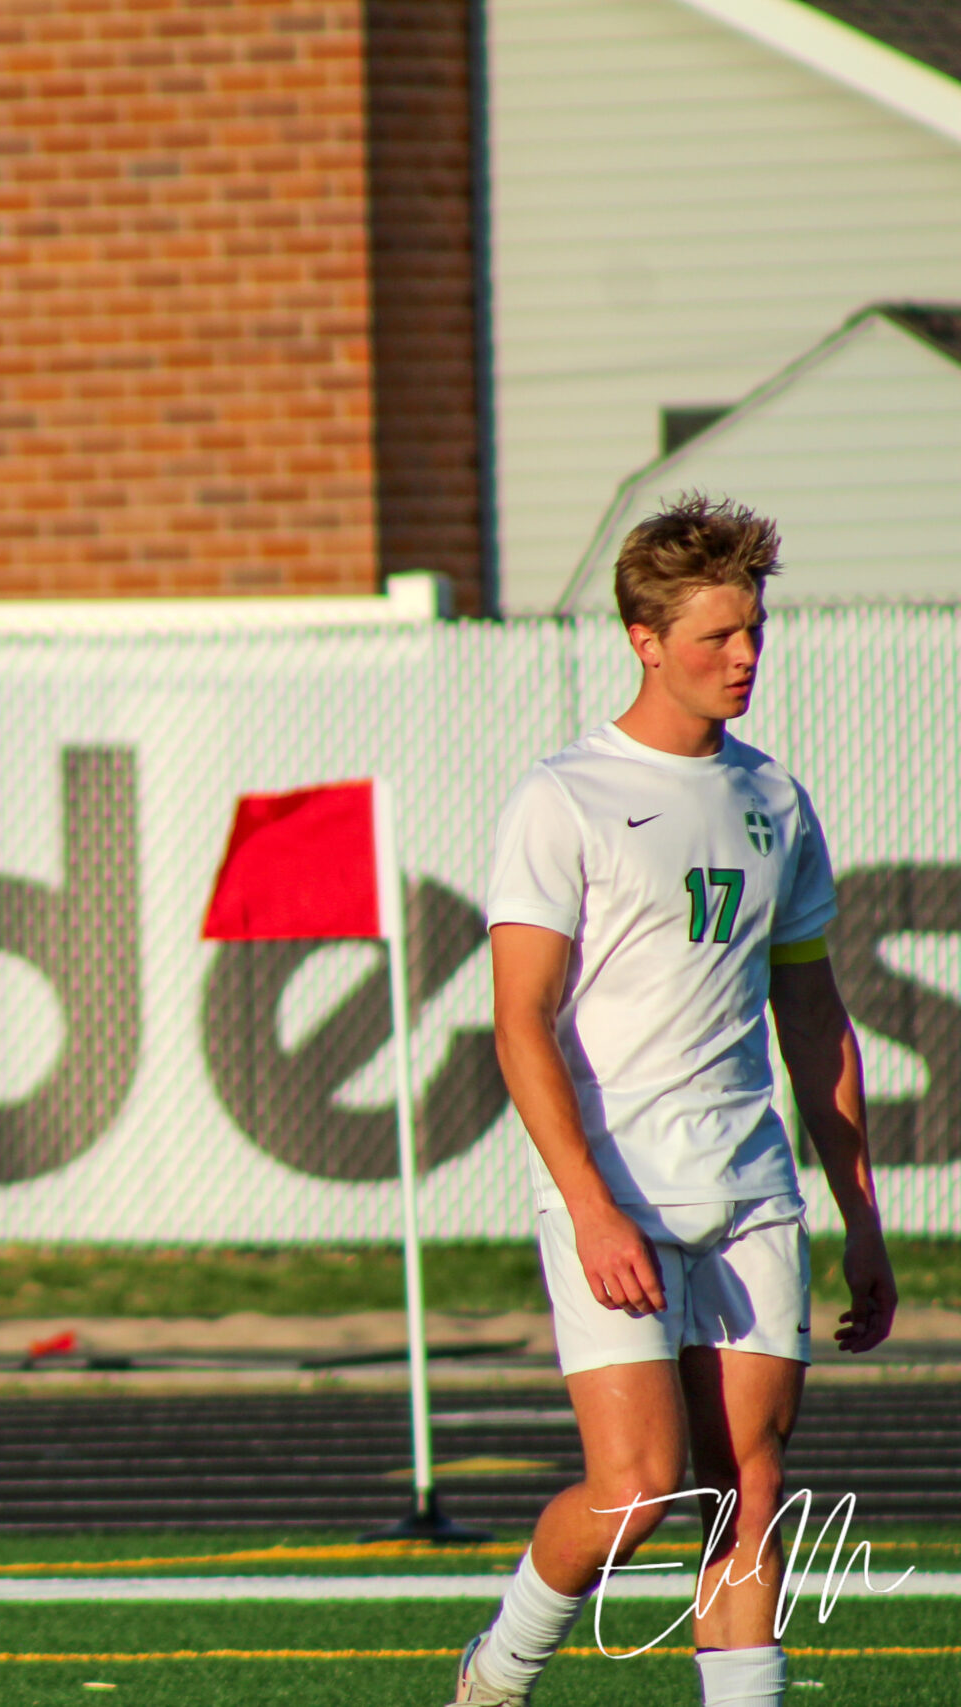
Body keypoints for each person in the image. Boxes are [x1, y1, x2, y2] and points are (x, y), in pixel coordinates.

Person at [453, 496, 896, 1707]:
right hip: (617, 1191)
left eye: (754, 630)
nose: (744, 656)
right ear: (644, 641)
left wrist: (859, 1217)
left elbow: (813, 1018)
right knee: (638, 1490)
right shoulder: (564, 796)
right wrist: (589, 1206)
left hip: (750, 1186)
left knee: (750, 1488)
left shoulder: (775, 799)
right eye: (716, 637)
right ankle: (496, 1672)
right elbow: (519, 1022)